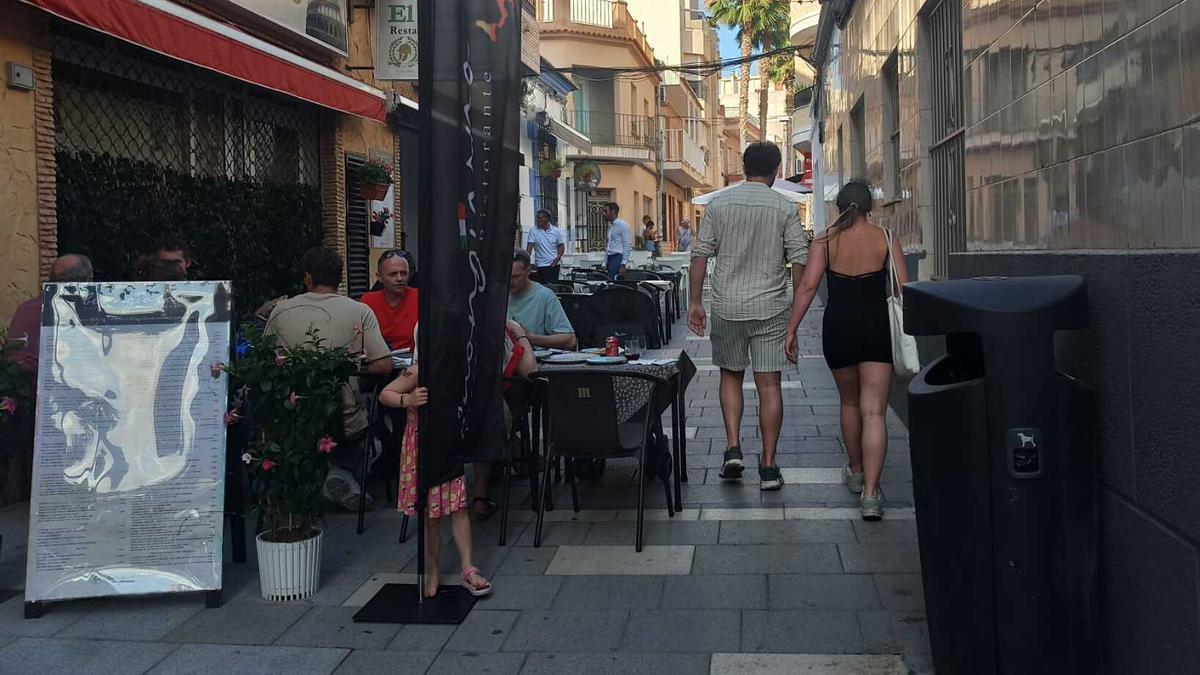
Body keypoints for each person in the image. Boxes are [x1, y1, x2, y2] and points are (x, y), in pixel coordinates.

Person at [687, 142, 807, 492]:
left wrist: (695, 301)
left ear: (742, 166)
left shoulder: (719, 204)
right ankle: (768, 466)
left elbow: (700, 254)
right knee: (769, 385)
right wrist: (796, 317)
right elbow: (799, 258)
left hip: (727, 307)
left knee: (730, 377)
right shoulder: (786, 207)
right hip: (771, 308)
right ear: (776, 170)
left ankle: (733, 447)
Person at [783, 181, 905, 520]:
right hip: (876, 330)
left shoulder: (824, 240)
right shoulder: (886, 238)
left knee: (849, 402)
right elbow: (903, 288)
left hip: (838, 329)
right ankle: (870, 495)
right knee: (874, 412)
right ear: (870, 208)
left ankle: (855, 470)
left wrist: (791, 329)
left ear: (839, 207)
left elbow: (808, 286)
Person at [265, 247, 393, 510]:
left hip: (294, 415)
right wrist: (351, 368)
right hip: (343, 419)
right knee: (376, 424)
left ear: (307, 278)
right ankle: (340, 474)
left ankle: (322, 478)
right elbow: (384, 365)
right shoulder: (360, 311)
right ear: (340, 277)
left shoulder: (280, 311)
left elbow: (265, 361)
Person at [380, 331, 492, 598]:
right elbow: (386, 393)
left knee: (459, 507)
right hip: (422, 450)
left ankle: (467, 566)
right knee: (430, 516)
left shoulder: (459, 373)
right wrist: (407, 400)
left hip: (448, 448)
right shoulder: (417, 372)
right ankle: (433, 571)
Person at [469, 320, 540, 520]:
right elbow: (530, 372)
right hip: (488, 421)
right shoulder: (492, 325)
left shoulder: (426, 325)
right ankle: (481, 494)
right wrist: (519, 333)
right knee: (489, 403)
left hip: (440, 421)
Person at [7, 254, 93, 372]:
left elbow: (12, 359)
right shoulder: (92, 312)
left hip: (29, 385)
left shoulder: (27, 309)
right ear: (87, 282)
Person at [508, 250, 577, 350]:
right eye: (506, 276)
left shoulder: (544, 296)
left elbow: (570, 340)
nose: (510, 281)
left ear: (528, 271)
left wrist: (530, 338)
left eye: (516, 276)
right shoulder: (496, 296)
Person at [360, 250, 419, 351]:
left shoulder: (420, 298)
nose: (400, 278)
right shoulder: (368, 301)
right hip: (378, 359)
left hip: (412, 360)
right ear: (380, 277)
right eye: (393, 274)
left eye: (404, 273)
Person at [525, 209, 565, 283]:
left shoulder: (556, 231)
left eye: (540, 218)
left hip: (554, 264)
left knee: (553, 286)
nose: (538, 220)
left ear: (547, 218)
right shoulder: (533, 231)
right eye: (537, 218)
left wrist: (558, 257)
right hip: (540, 264)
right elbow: (529, 247)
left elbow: (561, 246)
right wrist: (526, 261)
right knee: (543, 286)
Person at [604, 202, 631, 280]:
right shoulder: (610, 227)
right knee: (609, 282)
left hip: (617, 258)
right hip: (610, 258)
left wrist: (623, 264)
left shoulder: (622, 225)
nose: (604, 214)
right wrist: (605, 262)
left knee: (614, 282)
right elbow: (608, 245)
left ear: (613, 212)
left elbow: (627, 245)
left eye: (606, 211)